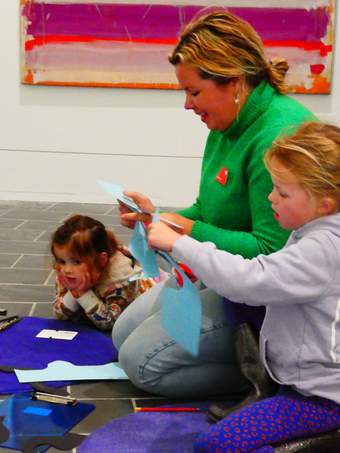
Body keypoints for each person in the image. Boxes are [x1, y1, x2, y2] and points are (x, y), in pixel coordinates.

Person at [112, 10, 316, 399]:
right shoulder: (227, 123)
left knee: (141, 363)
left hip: (270, 304)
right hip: (225, 275)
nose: (188, 105)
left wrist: (183, 231)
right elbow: (208, 210)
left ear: (235, 83)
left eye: (194, 92)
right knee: (122, 335)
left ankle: (266, 372)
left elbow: (273, 254)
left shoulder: (279, 138)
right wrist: (157, 220)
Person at [147, 121, 340, 451]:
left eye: (282, 192)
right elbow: (254, 280)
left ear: (325, 202)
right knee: (236, 298)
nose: (270, 198)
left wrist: (181, 244)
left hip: (323, 396)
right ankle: (264, 388)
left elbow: (248, 280)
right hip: (303, 374)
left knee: (217, 445)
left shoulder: (323, 247)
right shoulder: (317, 229)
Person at [51, 215, 154, 331]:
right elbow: (60, 315)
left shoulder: (119, 280)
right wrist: (74, 292)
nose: (67, 269)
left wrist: (82, 292)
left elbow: (111, 323)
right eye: (62, 261)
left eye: (76, 262)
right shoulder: (68, 273)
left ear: (101, 260)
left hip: (151, 309)